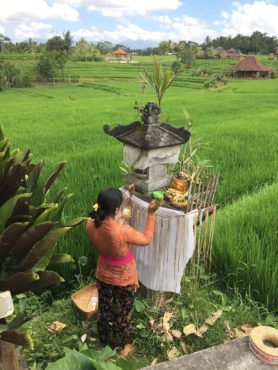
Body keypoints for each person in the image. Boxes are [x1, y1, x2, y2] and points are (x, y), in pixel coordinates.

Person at [86, 188, 158, 357]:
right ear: (117, 210)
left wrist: (118, 221)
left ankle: (104, 338)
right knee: (122, 313)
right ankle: (121, 348)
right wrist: (151, 214)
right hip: (123, 279)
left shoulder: (89, 223)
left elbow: (105, 231)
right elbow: (146, 239)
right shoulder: (122, 231)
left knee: (105, 308)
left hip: (103, 274)